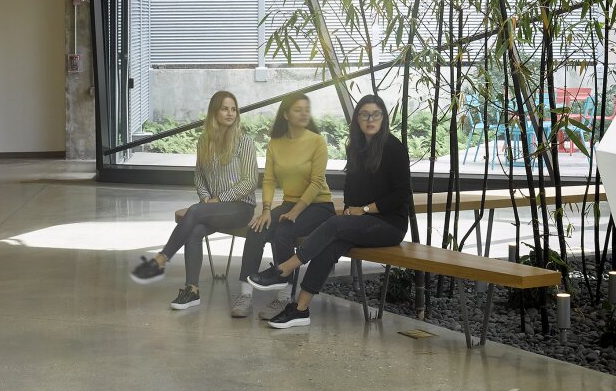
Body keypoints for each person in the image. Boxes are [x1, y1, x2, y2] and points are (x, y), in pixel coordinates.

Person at [262, 95, 415, 333]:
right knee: (330, 245)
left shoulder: (394, 148)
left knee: (334, 225)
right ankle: (301, 309)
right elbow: (350, 187)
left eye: (376, 114)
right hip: (360, 222)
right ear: (357, 120)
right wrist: (350, 209)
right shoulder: (356, 146)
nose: (370, 119)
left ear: (383, 118)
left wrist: (363, 210)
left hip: (389, 225)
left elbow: (401, 194)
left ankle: (287, 267)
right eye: (364, 114)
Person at [129, 92, 260, 311]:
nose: (230, 113)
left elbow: (250, 182)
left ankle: (161, 260)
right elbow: (199, 175)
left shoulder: (244, 142)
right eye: (224, 109)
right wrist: (205, 198)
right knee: (195, 229)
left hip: (240, 207)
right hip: (212, 207)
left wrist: (218, 199)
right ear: (214, 112)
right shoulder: (204, 142)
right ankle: (192, 290)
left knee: (195, 213)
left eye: (234, 109)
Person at [239, 93, 333, 303]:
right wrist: (266, 210)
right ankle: (245, 294)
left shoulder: (317, 141)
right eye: (298, 109)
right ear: (286, 115)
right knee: (256, 229)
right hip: (290, 203)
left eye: (307, 109)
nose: (304, 114)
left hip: (319, 206)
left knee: (284, 231)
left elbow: (317, 182)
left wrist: (295, 212)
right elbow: (269, 180)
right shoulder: (275, 144)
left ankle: (283, 296)